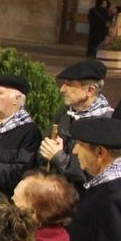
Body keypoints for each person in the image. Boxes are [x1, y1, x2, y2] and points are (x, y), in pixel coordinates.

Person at [39, 59, 112, 190]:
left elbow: (91, 172)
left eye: (69, 84)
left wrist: (58, 157)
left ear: (90, 90)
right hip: (55, 191)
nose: (62, 89)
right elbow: (44, 143)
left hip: (82, 197)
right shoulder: (65, 113)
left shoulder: (105, 122)